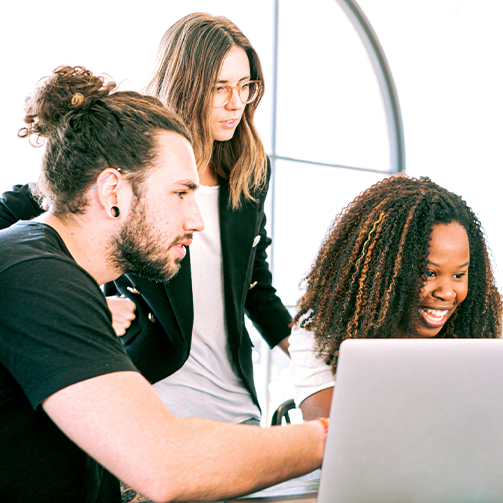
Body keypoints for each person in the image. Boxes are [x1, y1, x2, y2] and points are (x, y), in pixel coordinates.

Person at [0, 65, 326, 502]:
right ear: (112, 190)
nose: (197, 221)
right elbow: (167, 464)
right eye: (180, 193)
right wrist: (330, 435)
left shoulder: (57, 272)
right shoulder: (36, 276)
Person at [0, 12, 290, 426]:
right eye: (220, 87)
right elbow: (27, 227)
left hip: (235, 404)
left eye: (245, 86)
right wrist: (84, 303)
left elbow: (255, 286)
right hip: (148, 397)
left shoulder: (250, 172)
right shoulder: (127, 155)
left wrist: (316, 361)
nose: (236, 103)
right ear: (186, 85)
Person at [289, 175, 502, 421]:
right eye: (429, 273)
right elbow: (336, 436)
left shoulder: (481, 326)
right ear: (384, 270)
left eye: (458, 275)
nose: (446, 293)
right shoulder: (322, 329)